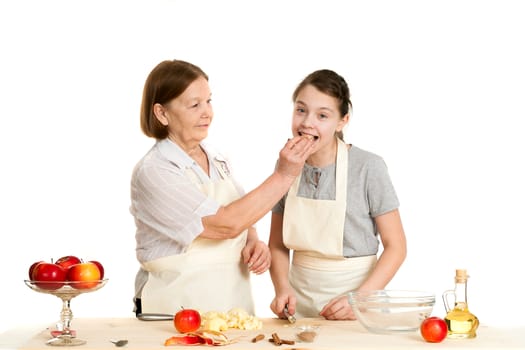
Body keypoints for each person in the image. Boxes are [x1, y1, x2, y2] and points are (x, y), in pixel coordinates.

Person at [130, 59, 315, 317]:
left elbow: (241, 217)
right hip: (174, 312)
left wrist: (253, 241)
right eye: (195, 105)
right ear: (162, 113)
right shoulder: (155, 171)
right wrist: (285, 174)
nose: (207, 112)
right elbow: (225, 224)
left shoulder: (217, 158)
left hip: (230, 307)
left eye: (209, 101)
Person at [268, 69, 407, 320]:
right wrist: (282, 289)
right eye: (301, 110)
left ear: (342, 121)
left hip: (360, 304)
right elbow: (277, 244)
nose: (308, 122)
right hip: (299, 305)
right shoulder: (285, 166)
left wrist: (360, 299)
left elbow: (396, 247)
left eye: (322, 115)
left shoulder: (367, 167)